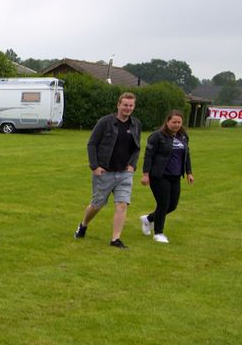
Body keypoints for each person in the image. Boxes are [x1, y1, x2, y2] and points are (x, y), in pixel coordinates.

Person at [74, 92, 141, 248]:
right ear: (118, 105)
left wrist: (132, 165)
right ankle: (83, 224)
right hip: (105, 172)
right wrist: (95, 166)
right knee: (97, 204)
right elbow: (92, 144)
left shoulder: (136, 124)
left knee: (122, 204)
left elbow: (136, 148)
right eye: (125, 105)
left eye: (131, 106)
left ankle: (115, 239)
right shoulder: (105, 122)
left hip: (125, 173)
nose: (128, 108)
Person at [139, 109, 194, 244]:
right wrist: (145, 174)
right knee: (163, 204)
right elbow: (149, 156)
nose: (176, 125)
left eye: (179, 122)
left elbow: (186, 156)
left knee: (172, 205)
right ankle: (158, 233)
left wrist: (189, 172)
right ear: (167, 121)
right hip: (159, 175)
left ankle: (149, 219)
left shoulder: (183, 136)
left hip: (175, 176)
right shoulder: (157, 136)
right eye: (174, 122)